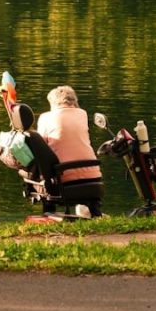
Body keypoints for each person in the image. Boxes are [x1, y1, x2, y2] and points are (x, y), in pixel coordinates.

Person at [36, 85, 103, 217]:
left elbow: (41, 147)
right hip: (94, 177)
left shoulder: (45, 117)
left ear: (53, 102)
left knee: (38, 167)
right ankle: (94, 213)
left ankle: (49, 212)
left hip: (64, 180)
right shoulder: (83, 114)